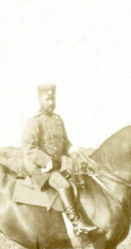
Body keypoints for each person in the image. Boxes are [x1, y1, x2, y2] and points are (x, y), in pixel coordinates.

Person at [21, 83, 95, 235]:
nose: (51, 103)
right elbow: (29, 147)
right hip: (38, 169)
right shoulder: (34, 121)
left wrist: (71, 149)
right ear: (40, 99)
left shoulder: (58, 120)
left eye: (52, 99)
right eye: (47, 99)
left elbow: (64, 142)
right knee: (63, 185)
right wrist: (46, 160)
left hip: (54, 169)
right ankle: (77, 224)